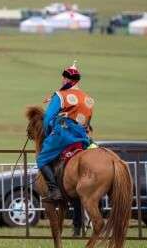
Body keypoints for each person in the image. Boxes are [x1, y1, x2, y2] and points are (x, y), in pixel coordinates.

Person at [36, 60, 93, 203]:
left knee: (41, 159)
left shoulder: (60, 95)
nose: (62, 79)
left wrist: (49, 132)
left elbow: (48, 117)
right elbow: (88, 122)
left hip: (63, 134)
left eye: (64, 77)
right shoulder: (88, 99)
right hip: (82, 138)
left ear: (68, 79)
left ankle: (54, 190)